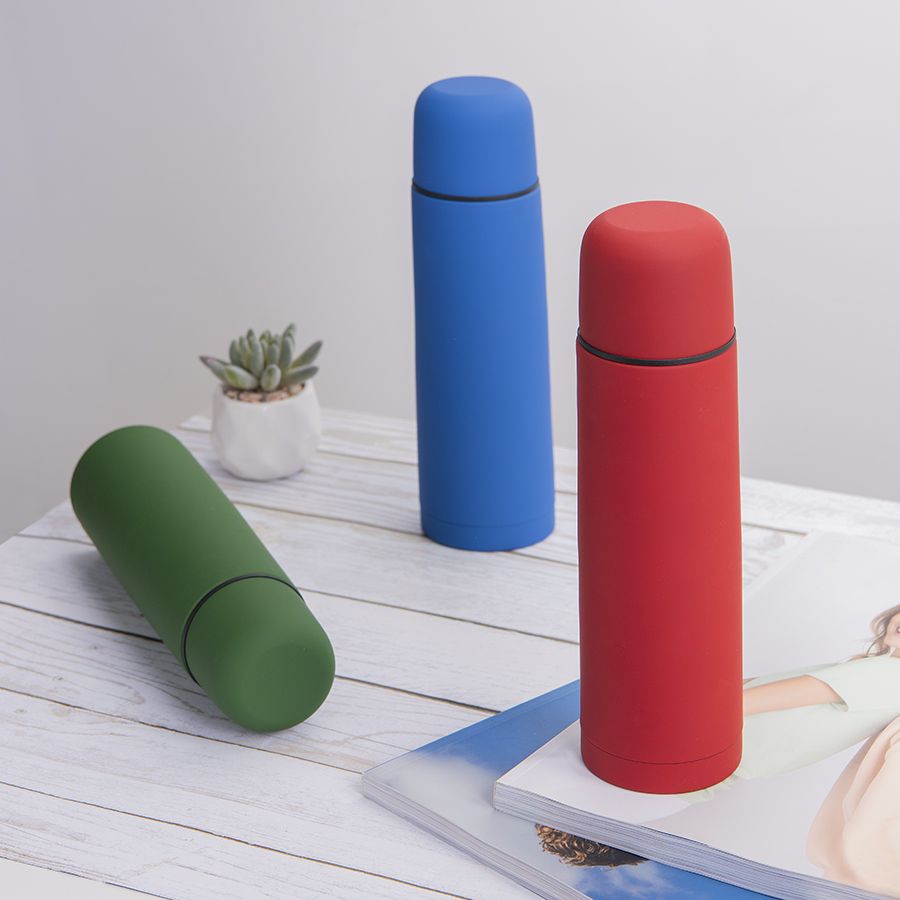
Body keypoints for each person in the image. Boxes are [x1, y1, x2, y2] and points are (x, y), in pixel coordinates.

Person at [685, 604, 900, 801]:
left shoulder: (888, 674)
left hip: (696, 747)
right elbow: (757, 688)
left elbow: (741, 703)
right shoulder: (884, 670)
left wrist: (682, 710)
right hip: (709, 758)